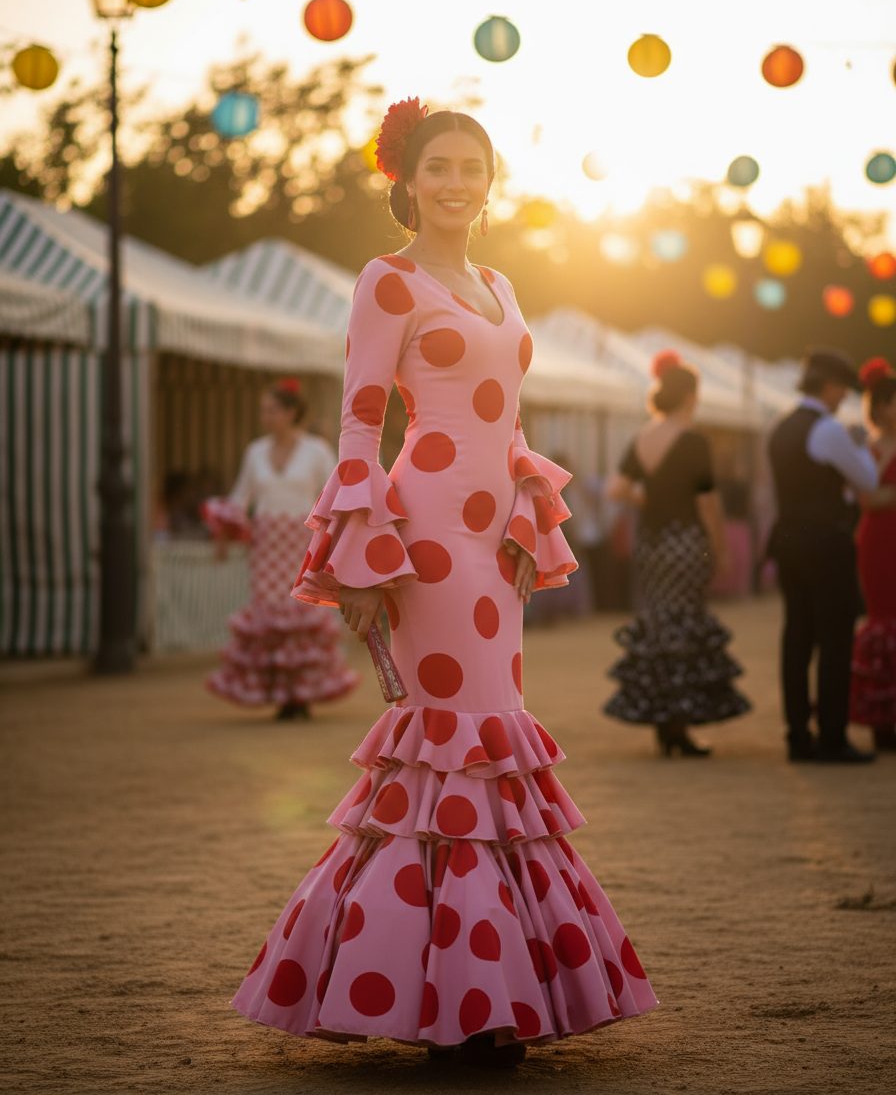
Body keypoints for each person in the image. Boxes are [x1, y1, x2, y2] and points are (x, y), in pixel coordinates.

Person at [230, 100, 658, 1065]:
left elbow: (503, 428)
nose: (456, 182)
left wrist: (521, 510)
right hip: (424, 538)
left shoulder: (501, 285)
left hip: (492, 547)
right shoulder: (387, 282)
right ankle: (456, 1003)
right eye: (440, 168)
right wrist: (365, 554)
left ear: (490, 179)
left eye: (473, 166)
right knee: (454, 745)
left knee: (491, 743)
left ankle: (480, 987)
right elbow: (359, 421)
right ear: (409, 182)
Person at [603, 350, 751, 756]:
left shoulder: (642, 437)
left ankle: (665, 725)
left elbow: (615, 490)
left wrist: (649, 501)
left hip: (650, 543)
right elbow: (708, 502)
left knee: (660, 623)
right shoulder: (693, 440)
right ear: (689, 396)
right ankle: (679, 724)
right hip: (685, 542)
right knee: (684, 625)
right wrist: (720, 549)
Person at [203, 378, 358, 720]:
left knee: (301, 613)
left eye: (272, 410)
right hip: (267, 544)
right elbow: (240, 498)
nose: (266, 416)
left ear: (291, 412)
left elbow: (335, 493)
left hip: (302, 543)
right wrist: (225, 533)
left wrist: (339, 539)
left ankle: (300, 694)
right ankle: (276, 690)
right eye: (264, 410)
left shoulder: (316, 450)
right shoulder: (255, 451)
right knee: (269, 615)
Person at [767, 347, 878, 763]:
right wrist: (861, 443)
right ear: (830, 387)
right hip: (827, 544)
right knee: (835, 638)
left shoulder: (780, 427)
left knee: (796, 638)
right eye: (843, 390)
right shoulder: (830, 429)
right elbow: (865, 479)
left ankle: (797, 735)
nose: (843, 398)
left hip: (788, 540)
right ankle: (833, 736)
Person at [849, 358, 896, 750]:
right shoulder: (868, 450)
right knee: (883, 618)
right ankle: (882, 719)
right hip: (879, 540)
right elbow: (869, 498)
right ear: (879, 407)